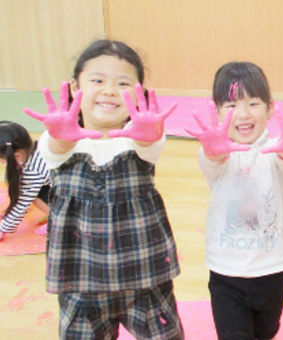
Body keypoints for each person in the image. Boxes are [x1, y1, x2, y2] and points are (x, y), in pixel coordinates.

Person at [23, 39, 184, 340]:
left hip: (144, 274)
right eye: (97, 80)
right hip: (81, 278)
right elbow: (53, 150)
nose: (109, 90)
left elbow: (150, 143)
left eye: (123, 83)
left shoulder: (139, 142)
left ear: (139, 93)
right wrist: (59, 135)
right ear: (74, 87)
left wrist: (151, 131)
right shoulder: (61, 141)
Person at [185, 61, 283, 340]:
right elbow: (212, 160)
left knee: (265, 333)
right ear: (217, 111)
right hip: (226, 274)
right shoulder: (214, 154)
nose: (242, 114)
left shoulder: (276, 151)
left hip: (273, 271)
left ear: (270, 108)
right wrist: (213, 151)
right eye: (231, 105)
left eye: (253, 103)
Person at [0, 121, 50, 240]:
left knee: (32, 194)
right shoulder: (41, 144)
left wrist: (2, 228)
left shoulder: (32, 171)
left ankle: (60, 221)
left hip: (82, 206)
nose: (3, 164)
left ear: (18, 156)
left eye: (2, 161)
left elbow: (22, 204)